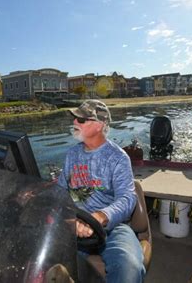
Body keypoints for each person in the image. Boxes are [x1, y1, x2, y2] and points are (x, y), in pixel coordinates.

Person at [57, 99, 145, 283]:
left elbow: (128, 198)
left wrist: (100, 217)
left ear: (99, 125)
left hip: (112, 228)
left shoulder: (118, 158)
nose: (74, 122)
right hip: (74, 224)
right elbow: (60, 191)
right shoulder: (72, 154)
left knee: (130, 268)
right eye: (74, 118)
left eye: (81, 120)